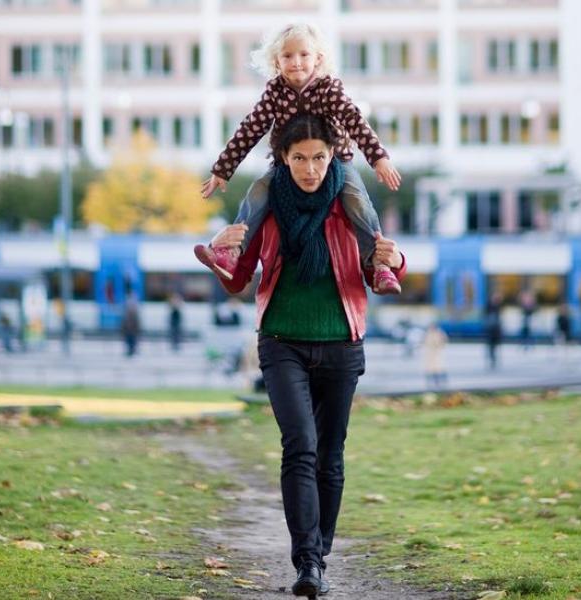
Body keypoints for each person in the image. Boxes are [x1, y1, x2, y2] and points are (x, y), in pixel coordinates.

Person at [204, 114, 407, 598]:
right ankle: (308, 562)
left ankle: (320, 549)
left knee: (330, 456)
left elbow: (378, 263)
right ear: (283, 158)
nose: (310, 169)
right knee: (300, 445)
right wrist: (219, 250)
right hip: (281, 342)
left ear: (334, 154)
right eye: (299, 158)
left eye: (319, 157)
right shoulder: (268, 203)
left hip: (342, 344)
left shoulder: (350, 202)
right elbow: (237, 280)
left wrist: (393, 260)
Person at [194, 23, 403, 296]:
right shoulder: (275, 92)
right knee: (257, 191)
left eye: (304, 55)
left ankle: (378, 263)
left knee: (357, 200)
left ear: (318, 58)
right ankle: (232, 251)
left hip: (337, 161)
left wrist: (378, 158)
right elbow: (250, 128)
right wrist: (224, 168)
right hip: (284, 165)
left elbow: (354, 120)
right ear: (276, 62)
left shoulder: (329, 88)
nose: (296, 63)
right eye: (287, 56)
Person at [422, 322, 448, 389]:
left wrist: (438, 345)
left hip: (437, 353)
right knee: (430, 369)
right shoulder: (428, 333)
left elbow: (443, 341)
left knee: (438, 368)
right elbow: (425, 342)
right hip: (430, 354)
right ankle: (430, 383)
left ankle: (440, 383)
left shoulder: (439, 333)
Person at [484, 292, 502, 370]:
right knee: (491, 345)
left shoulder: (497, 306)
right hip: (491, 329)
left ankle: (493, 357)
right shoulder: (490, 305)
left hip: (495, 329)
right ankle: (492, 357)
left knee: (494, 345)